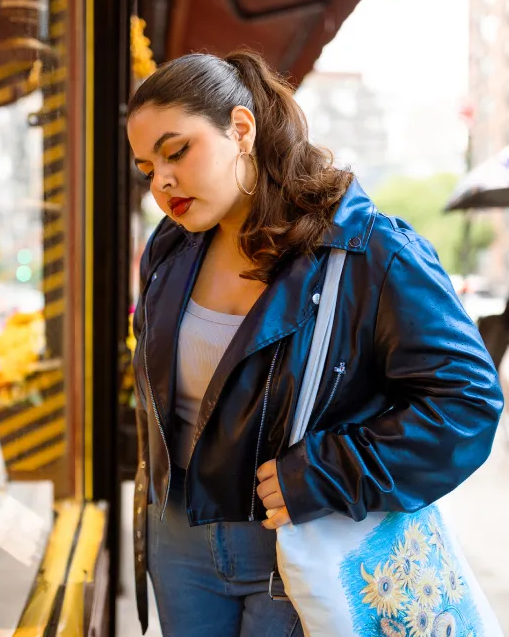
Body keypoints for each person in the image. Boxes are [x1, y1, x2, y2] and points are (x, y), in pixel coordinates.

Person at [126, 50, 504, 636]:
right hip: (178, 543)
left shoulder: (369, 251)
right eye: (147, 167)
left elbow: (467, 403)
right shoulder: (168, 251)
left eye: (177, 152)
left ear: (241, 129)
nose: (162, 181)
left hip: (303, 542)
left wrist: (330, 470)